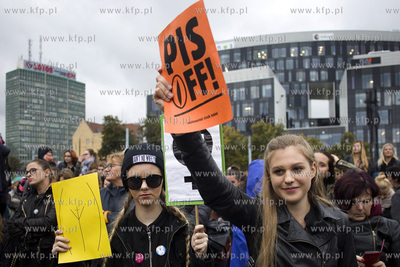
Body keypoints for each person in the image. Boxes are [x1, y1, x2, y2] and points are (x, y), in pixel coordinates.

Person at [153, 75, 357, 266]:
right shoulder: (257, 216)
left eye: (297, 169)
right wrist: (181, 124)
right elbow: (215, 187)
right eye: (278, 171)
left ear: (313, 170)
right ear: (269, 175)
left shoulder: (339, 221)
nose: (288, 178)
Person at [52, 143, 210, 266]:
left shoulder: (184, 229)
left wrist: (201, 256)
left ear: (163, 180)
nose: (144, 187)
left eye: (152, 179)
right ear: (127, 184)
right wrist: (65, 256)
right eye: (135, 181)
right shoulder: (113, 234)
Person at [334, 170, 400, 267]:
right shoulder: (332, 228)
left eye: (366, 201)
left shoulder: (390, 227)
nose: (360, 208)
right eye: (353, 202)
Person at [1, 159, 57, 266]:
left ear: (46, 172)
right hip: (26, 257)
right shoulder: (27, 198)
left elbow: (48, 223)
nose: (28, 175)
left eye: (33, 170)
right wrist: (29, 235)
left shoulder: (56, 196)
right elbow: (12, 225)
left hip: (48, 257)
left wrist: (23, 225)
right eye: (27, 172)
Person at [100, 152, 128, 233]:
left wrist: (106, 216)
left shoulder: (134, 194)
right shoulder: (99, 194)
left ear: (124, 168)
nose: (106, 169)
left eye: (111, 166)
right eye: (106, 166)